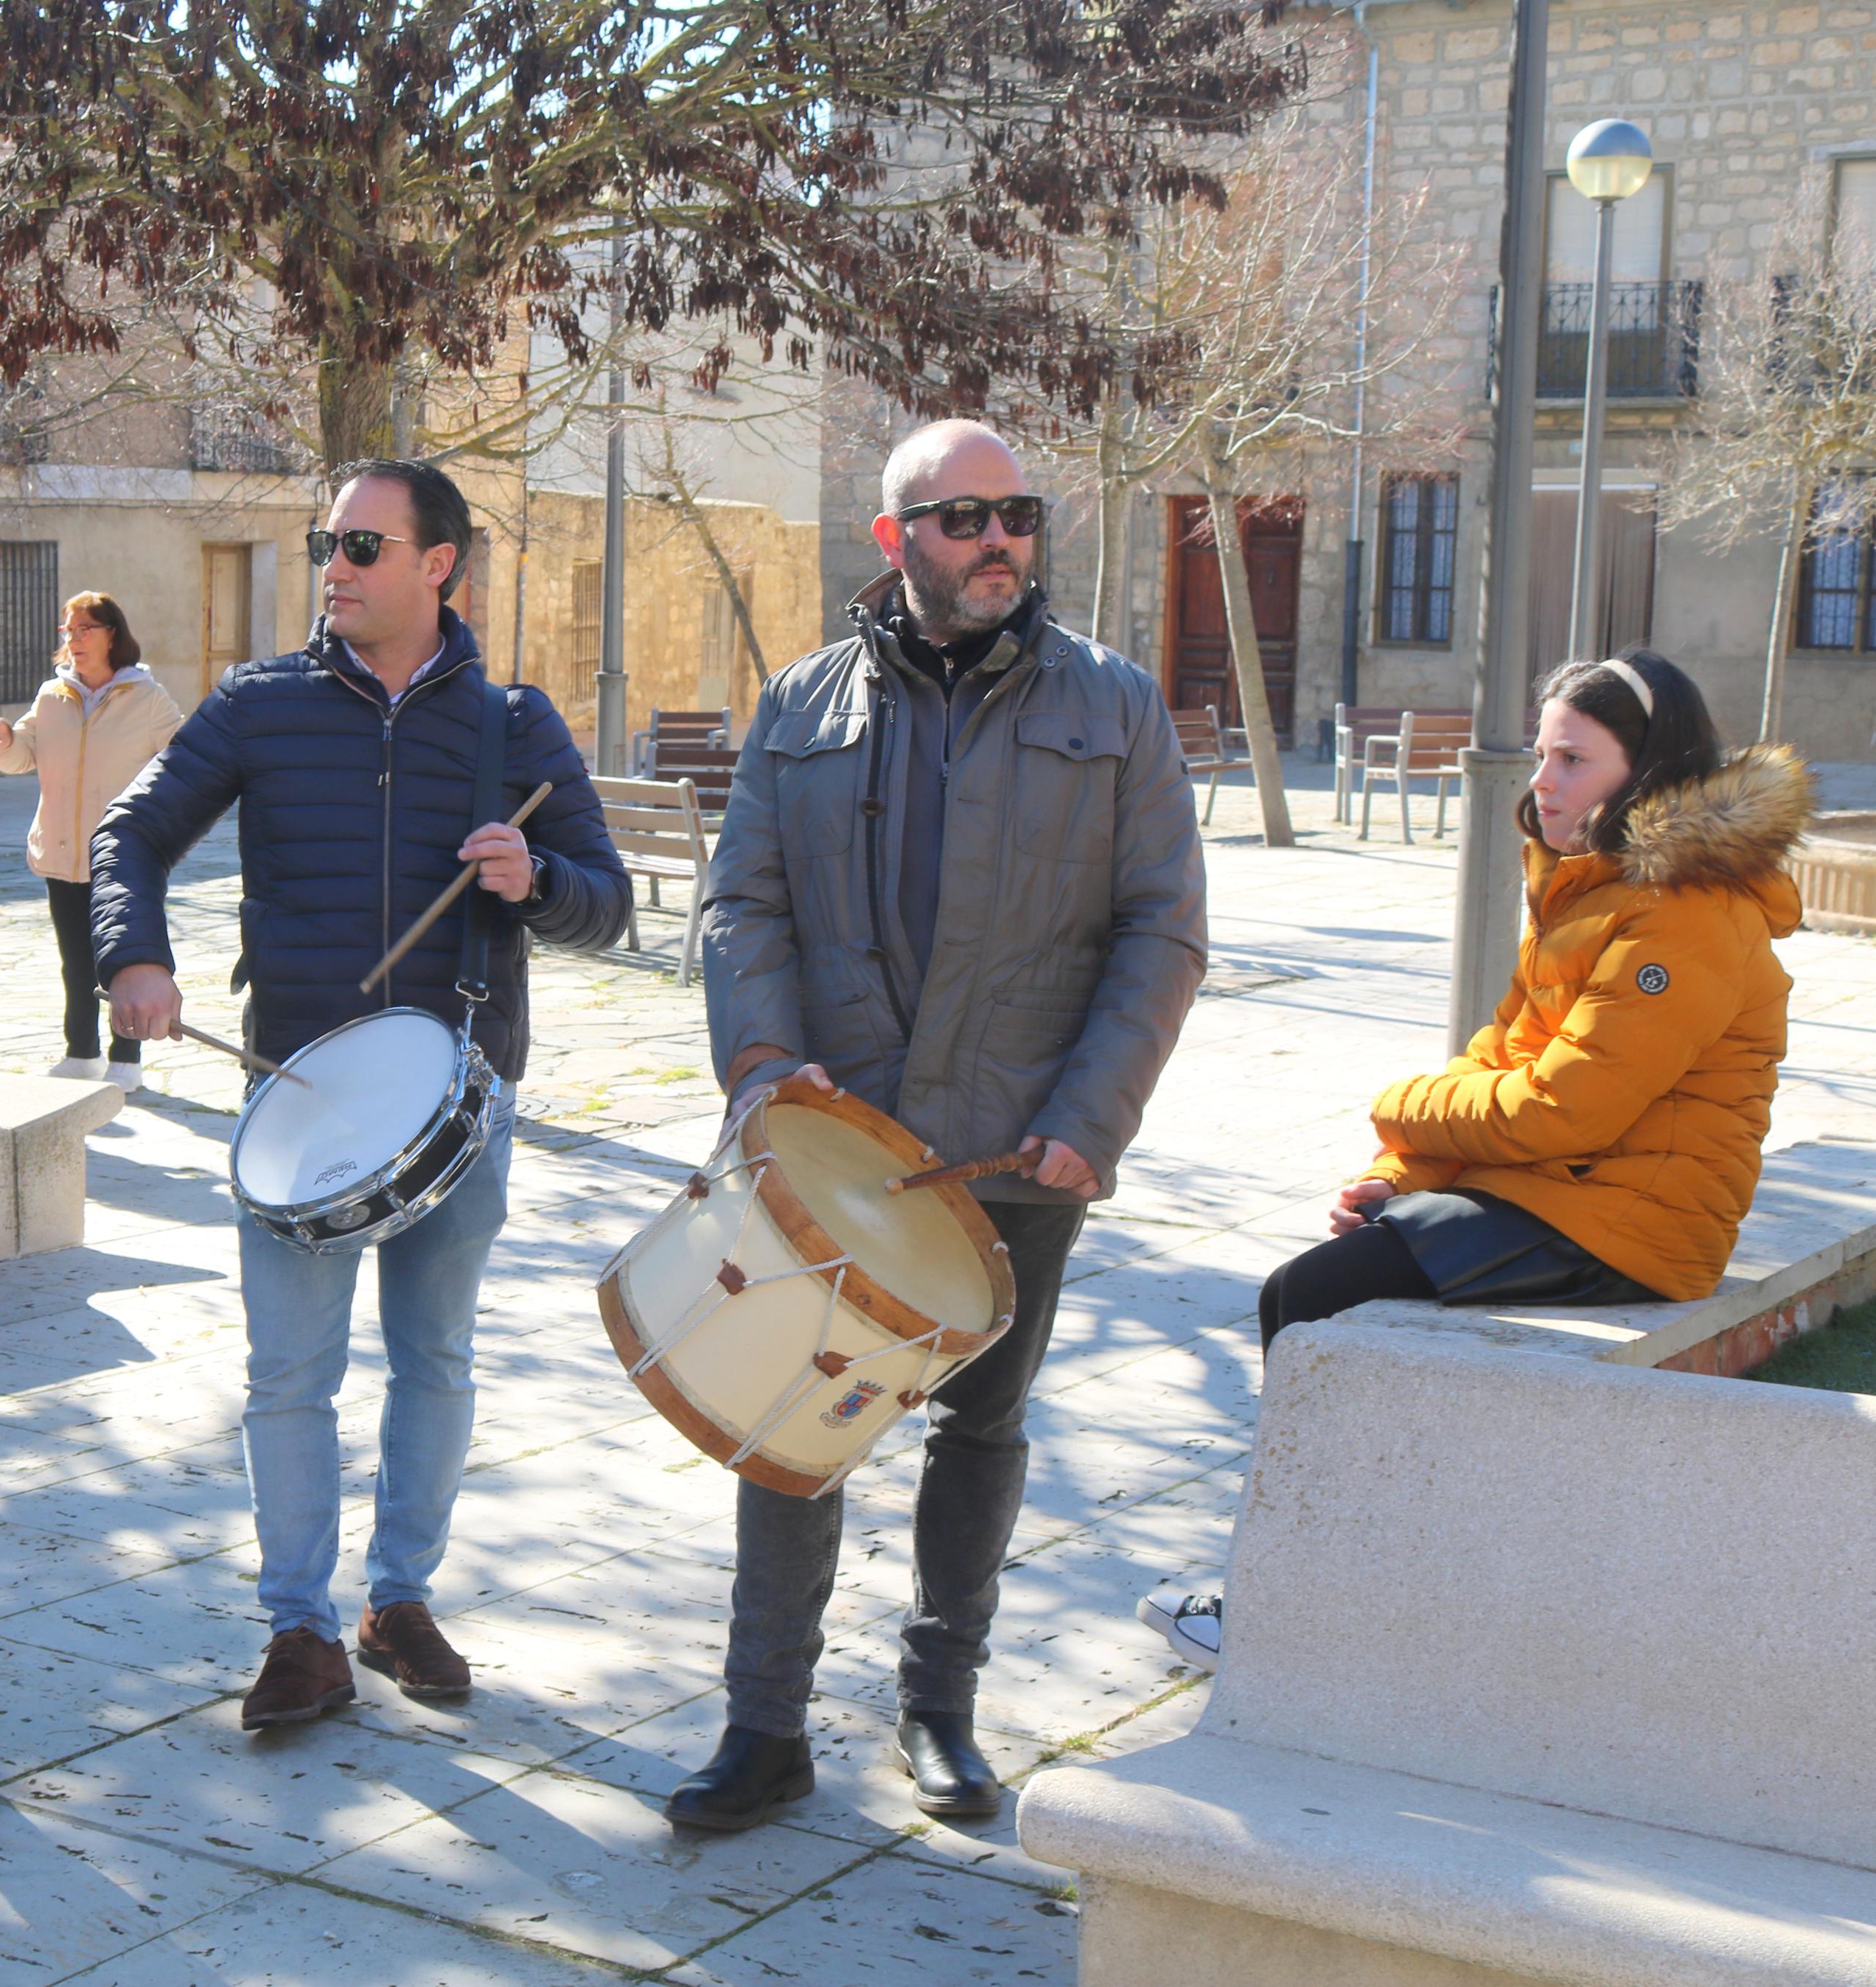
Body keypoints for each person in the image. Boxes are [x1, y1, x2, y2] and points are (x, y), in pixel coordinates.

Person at [669, 419, 1208, 1831]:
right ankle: (763, 1727)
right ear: (893, 537)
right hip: (836, 1146)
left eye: (1017, 516)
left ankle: (938, 1711)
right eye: (964, 518)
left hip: (1019, 1151)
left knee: (980, 1429)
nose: (998, 543)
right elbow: (741, 903)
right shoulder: (801, 702)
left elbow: (1162, 931)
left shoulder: (1114, 706)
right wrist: (764, 1062)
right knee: (794, 1428)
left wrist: (1092, 1114)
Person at [94, 458, 632, 1729]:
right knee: (288, 1375)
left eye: (359, 548)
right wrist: (133, 955)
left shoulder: (513, 723)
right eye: (323, 544)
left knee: (432, 1360)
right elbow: (132, 834)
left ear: (436, 564)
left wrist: (531, 882)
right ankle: (299, 1629)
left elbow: (602, 903)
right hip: (295, 1091)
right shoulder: (260, 705)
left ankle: (400, 1602)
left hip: (459, 1096)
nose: (329, 568)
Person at [1140, 652, 1809, 1668]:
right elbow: (1499, 1054)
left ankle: (1285, 1610)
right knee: (1332, 1289)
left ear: (1645, 772)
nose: (1541, 780)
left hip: (1638, 1223)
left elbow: (1558, 1107)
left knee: (1309, 1294)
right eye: (1541, 752)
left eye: (1572, 759)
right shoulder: (1590, 888)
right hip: (1566, 1193)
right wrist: (1401, 1177)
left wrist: (1391, 1108)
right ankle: (1310, 1587)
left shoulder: (1684, 911)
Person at [0, 591, 184, 1091]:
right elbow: (20, 756)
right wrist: (5, 741)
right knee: (75, 960)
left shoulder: (147, 697)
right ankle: (81, 1051)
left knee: (123, 959)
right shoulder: (53, 696)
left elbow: (184, 760)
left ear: (112, 633)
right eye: (67, 631)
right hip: (61, 851)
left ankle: (126, 1059)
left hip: (125, 856)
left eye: (84, 629)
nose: (73, 640)